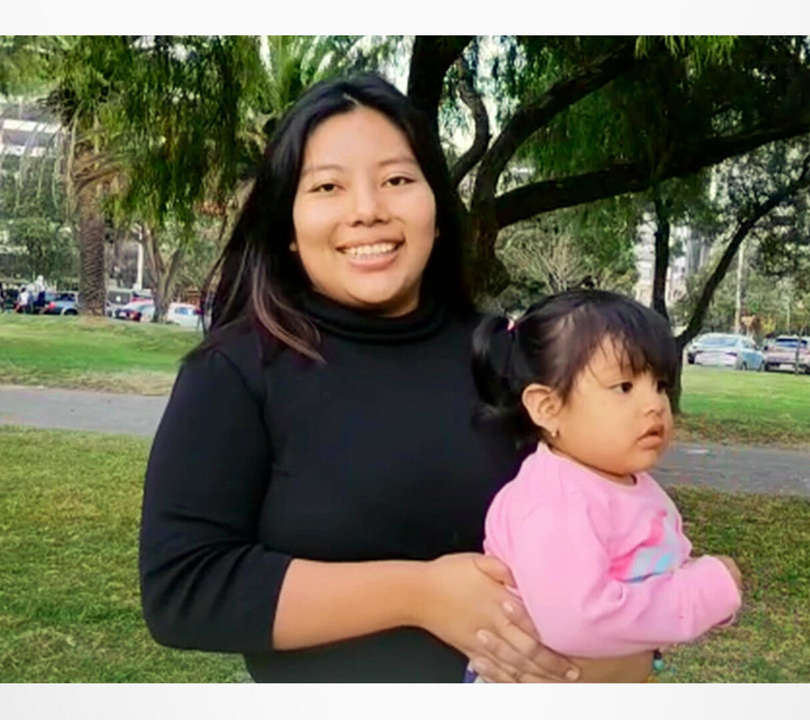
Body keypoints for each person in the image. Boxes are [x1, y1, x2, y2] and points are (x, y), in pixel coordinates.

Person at [138, 74, 657, 683]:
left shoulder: (509, 359)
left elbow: (621, 524)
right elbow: (184, 588)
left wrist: (624, 658)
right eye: (328, 186)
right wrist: (421, 595)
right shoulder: (236, 371)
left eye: (397, 180)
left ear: (436, 209)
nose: (368, 211)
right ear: (288, 225)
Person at [465, 290, 743, 681]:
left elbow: (661, 576)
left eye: (660, 385)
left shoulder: (624, 483)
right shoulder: (554, 502)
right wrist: (706, 592)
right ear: (548, 408)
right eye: (624, 387)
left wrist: (707, 594)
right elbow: (579, 621)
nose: (654, 405)